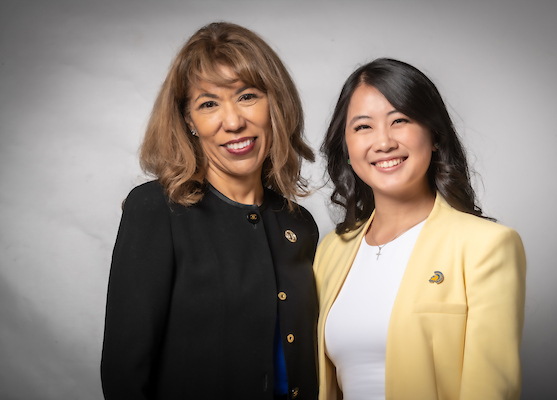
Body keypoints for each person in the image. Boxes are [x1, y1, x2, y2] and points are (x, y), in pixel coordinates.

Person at [101, 22, 319, 400]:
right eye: (208, 104)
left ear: (275, 104)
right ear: (189, 121)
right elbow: (125, 374)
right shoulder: (156, 209)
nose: (233, 122)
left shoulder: (299, 225)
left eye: (248, 96)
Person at [314, 58, 526, 400]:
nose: (383, 142)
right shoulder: (331, 251)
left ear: (434, 135)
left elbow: (490, 390)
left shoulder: (487, 246)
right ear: (347, 147)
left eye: (400, 120)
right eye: (363, 127)